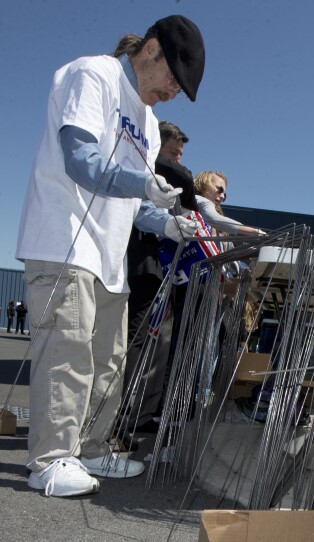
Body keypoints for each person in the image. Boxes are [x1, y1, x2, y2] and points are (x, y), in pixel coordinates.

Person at [15, 15, 205, 497]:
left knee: (107, 363)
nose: (174, 92)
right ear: (151, 50)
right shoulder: (93, 75)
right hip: (64, 242)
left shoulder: (143, 116)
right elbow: (80, 159)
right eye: (173, 79)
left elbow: (133, 197)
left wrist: (164, 221)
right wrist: (143, 184)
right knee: (67, 355)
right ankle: (51, 459)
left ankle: (93, 448)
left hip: (108, 254)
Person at [122, 121, 199, 437]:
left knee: (156, 345)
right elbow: (182, 177)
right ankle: (123, 416)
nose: (178, 161)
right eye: (173, 153)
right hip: (141, 265)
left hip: (161, 269)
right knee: (136, 342)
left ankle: (139, 414)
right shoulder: (148, 170)